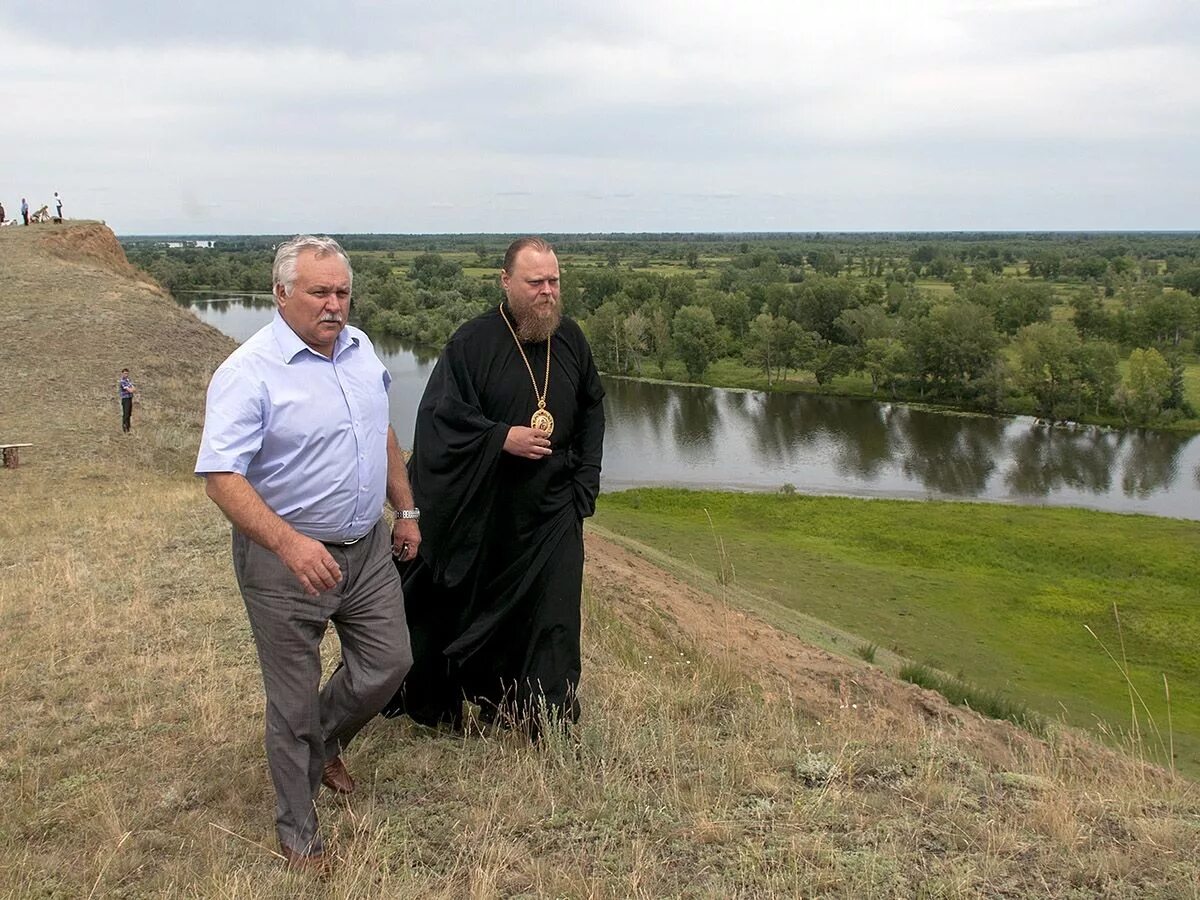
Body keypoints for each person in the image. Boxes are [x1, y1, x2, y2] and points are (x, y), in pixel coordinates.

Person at [195, 235, 418, 873]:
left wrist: (404, 510)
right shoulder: (248, 371)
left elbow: (381, 430)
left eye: (343, 292)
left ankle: (325, 744)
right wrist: (291, 544)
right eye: (319, 292)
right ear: (282, 294)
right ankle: (299, 836)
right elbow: (221, 477)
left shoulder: (361, 349)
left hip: (367, 546)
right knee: (290, 703)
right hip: (285, 560)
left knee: (388, 663)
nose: (334, 305)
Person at [383, 236, 605, 737]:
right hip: (489, 511)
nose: (547, 292)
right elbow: (440, 420)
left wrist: (584, 484)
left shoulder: (570, 340)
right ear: (506, 282)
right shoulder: (472, 343)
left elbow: (593, 408)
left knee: (554, 618)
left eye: (554, 281)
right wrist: (500, 437)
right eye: (536, 283)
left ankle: (544, 720)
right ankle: (474, 702)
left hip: (554, 510)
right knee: (472, 613)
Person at [118, 368, 138, 433]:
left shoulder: (128, 380)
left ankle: (128, 428)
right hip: (125, 399)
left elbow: (134, 388)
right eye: (125, 373)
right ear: (122, 374)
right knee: (126, 413)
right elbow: (130, 390)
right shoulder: (122, 381)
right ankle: (124, 428)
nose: (126, 374)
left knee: (129, 413)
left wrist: (132, 389)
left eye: (127, 373)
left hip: (129, 398)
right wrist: (131, 389)